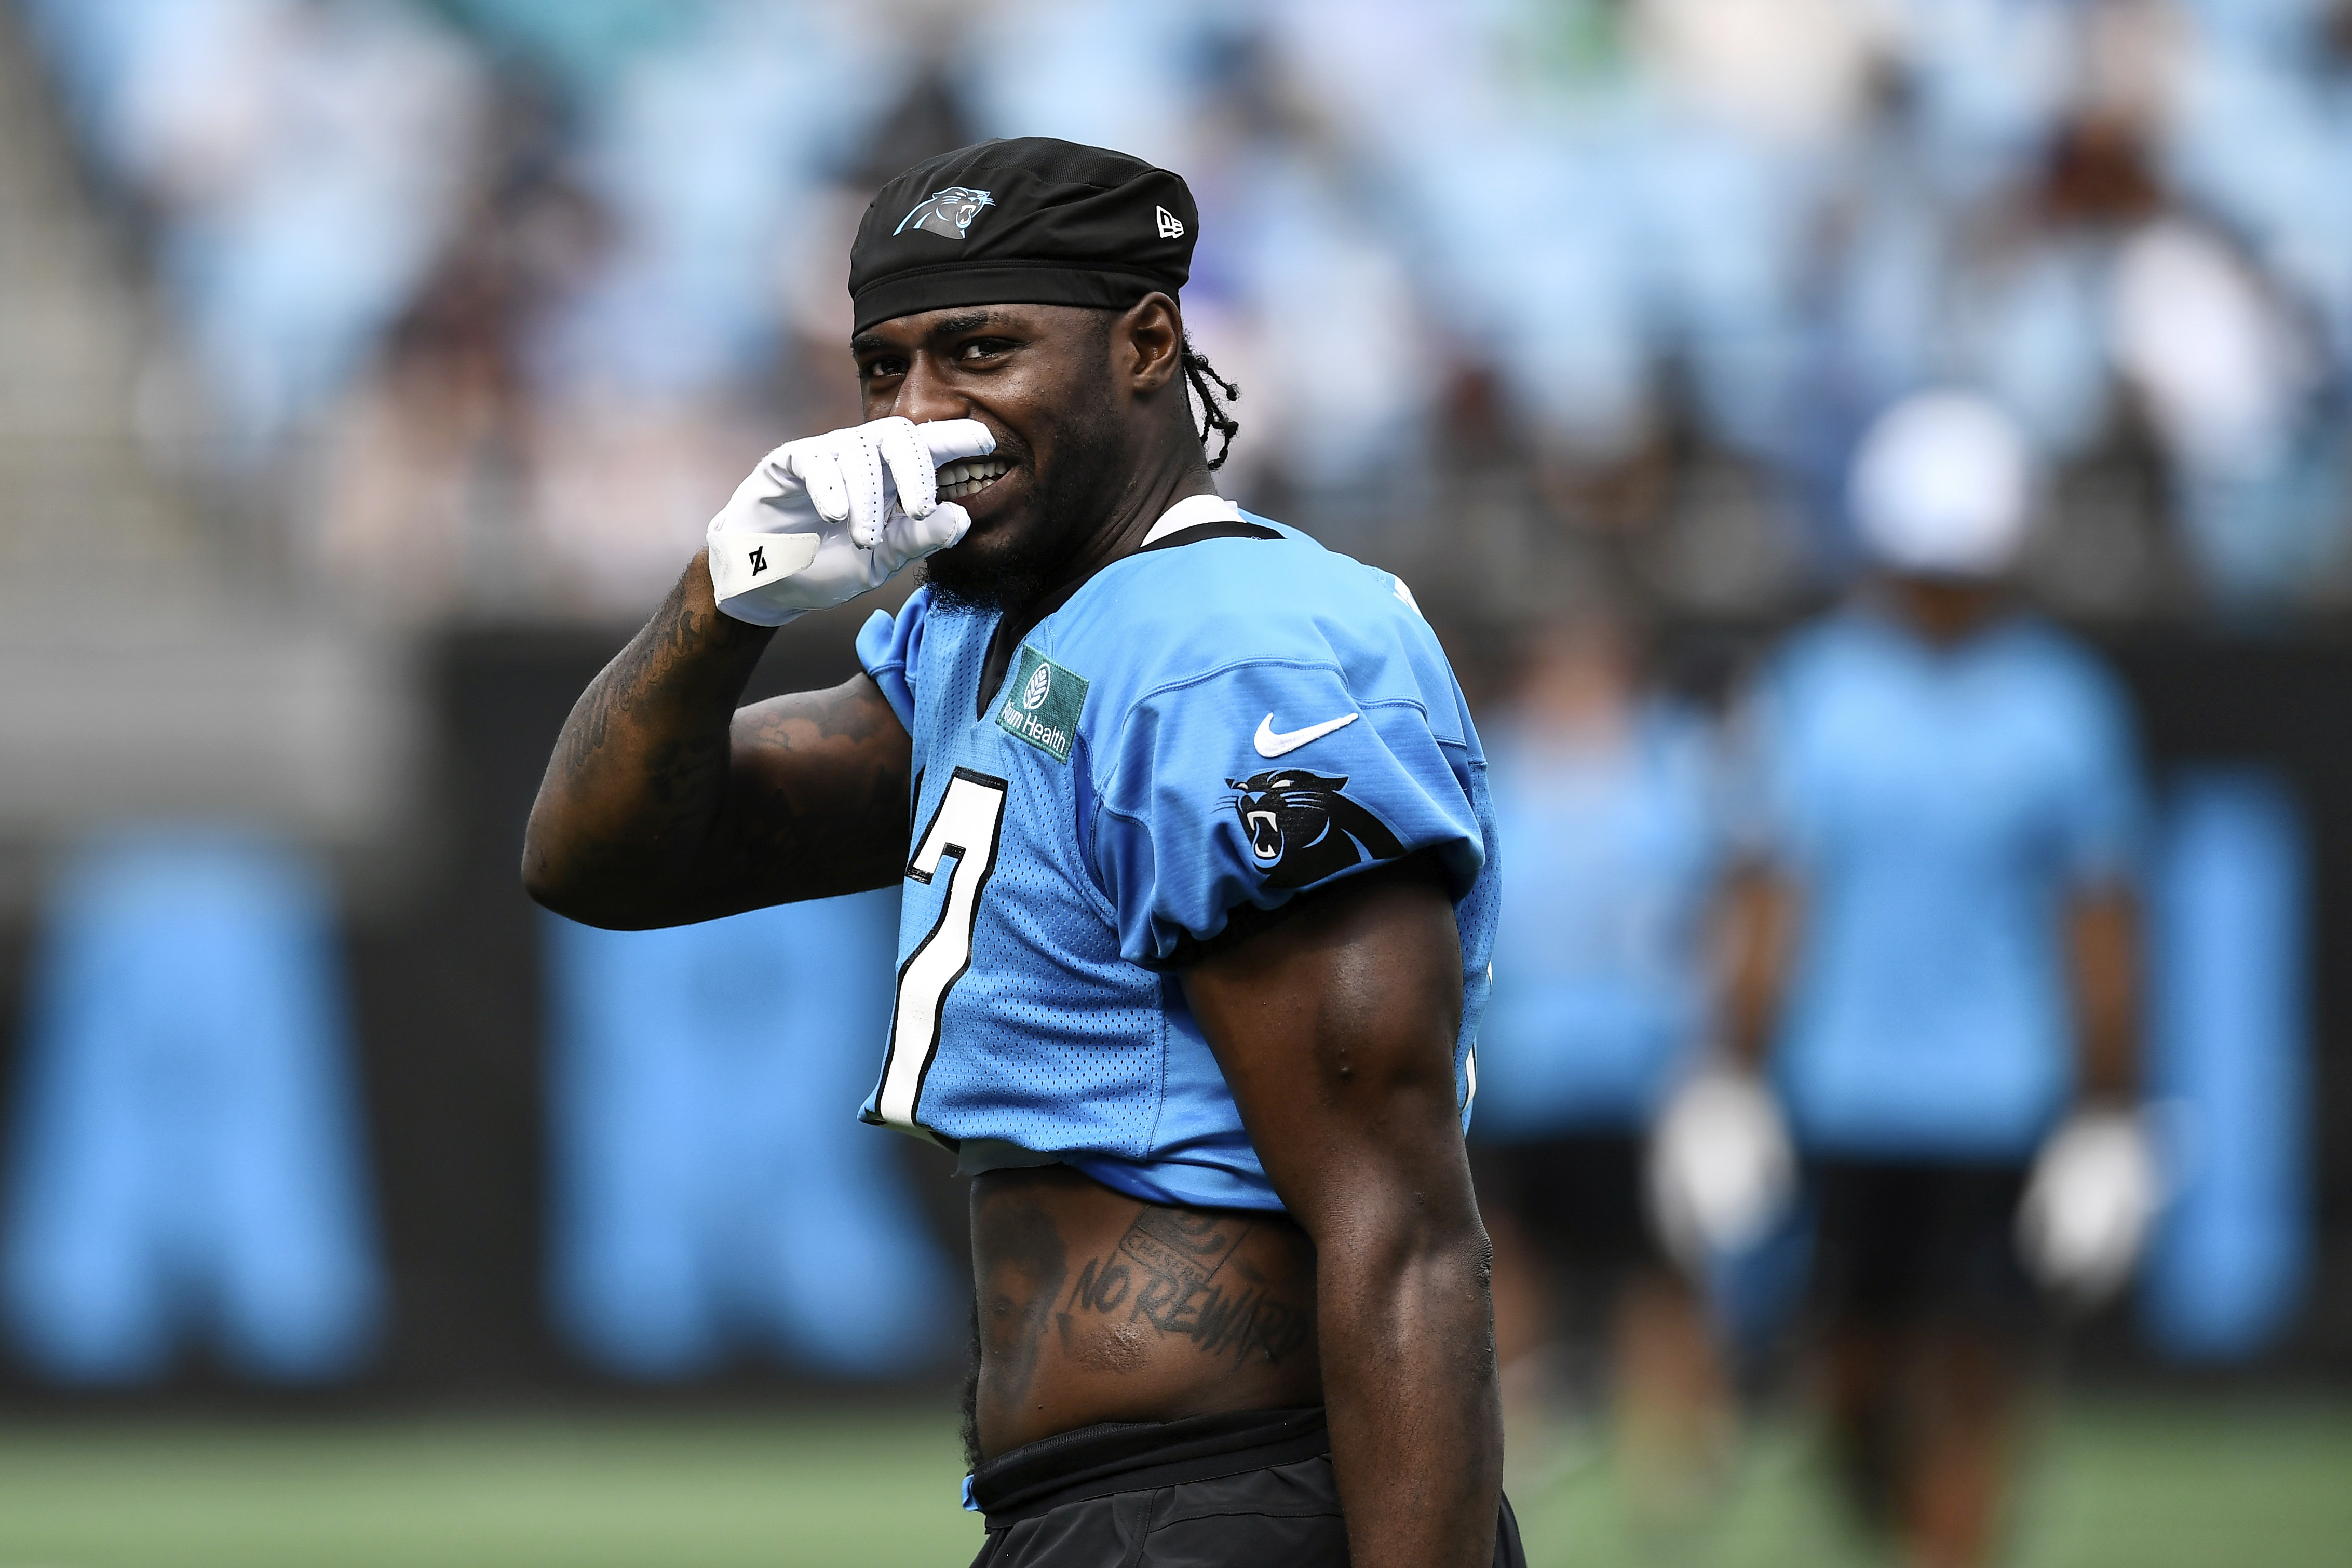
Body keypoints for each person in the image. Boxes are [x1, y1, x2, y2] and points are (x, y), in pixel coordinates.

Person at [522, 138, 1518, 1567]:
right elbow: (600, 859)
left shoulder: (1229, 653)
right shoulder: (987, 637)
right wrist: (720, 599)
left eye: (981, 351)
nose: (921, 416)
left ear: (1147, 344)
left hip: (1244, 1500)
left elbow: (1402, 1229)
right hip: (1109, 1505)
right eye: (885, 369)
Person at [1721, 392, 2150, 1568]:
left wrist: (2109, 1109)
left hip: (2000, 1103)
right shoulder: (1815, 688)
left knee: (1973, 1369)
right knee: (1848, 1377)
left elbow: (2099, 921)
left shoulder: (2065, 707)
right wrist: (1728, 1071)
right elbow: (1768, 897)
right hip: (1842, 1096)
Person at [1469, 614, 1735, 1515]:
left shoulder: (1675, 766)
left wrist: (1720, 1058)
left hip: (1645, 1067)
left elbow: (1722, 908)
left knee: (1658, 1260)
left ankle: (1676, 1443)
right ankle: (1512, 1428)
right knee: (1506, 1246)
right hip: (1524, 1065)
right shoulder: (1495, 764)